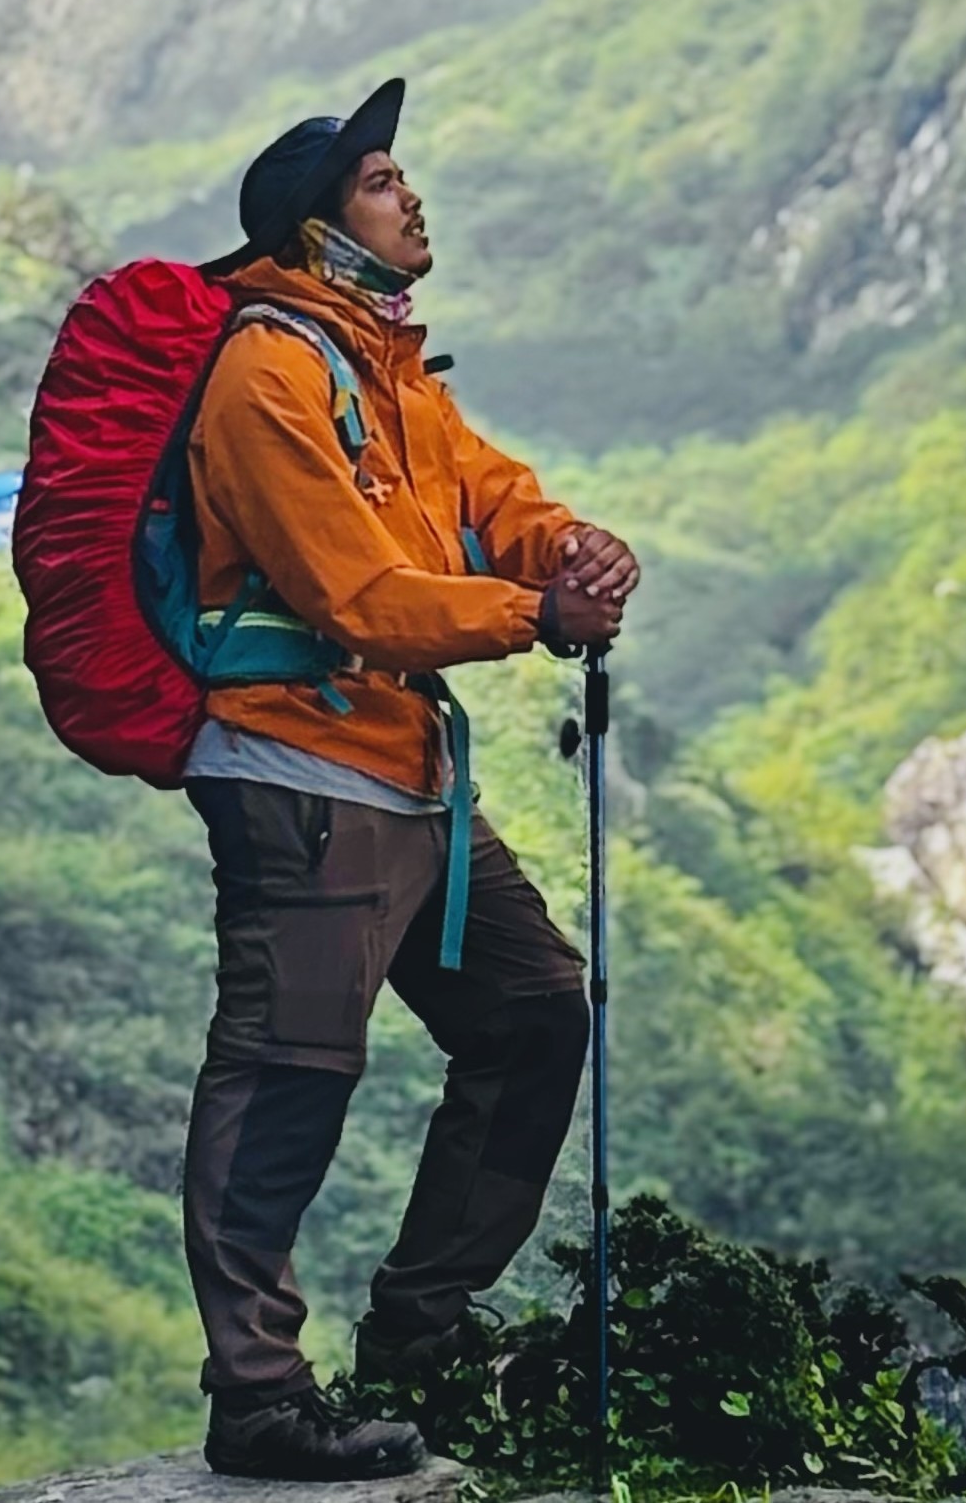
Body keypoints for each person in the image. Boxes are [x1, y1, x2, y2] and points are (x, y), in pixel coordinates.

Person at [175, 77, 639, 1481]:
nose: (410, 193)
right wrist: (537, 615)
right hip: (302, 775)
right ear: (318, 230)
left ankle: (422, 1337)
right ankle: (259, 1399)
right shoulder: (267, 377)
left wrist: (567, 547)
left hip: (407, 772)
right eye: (380, 181)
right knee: (285, 1075)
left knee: (535, 1009)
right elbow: (359, 596)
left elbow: (487, 492)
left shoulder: (386, 368)